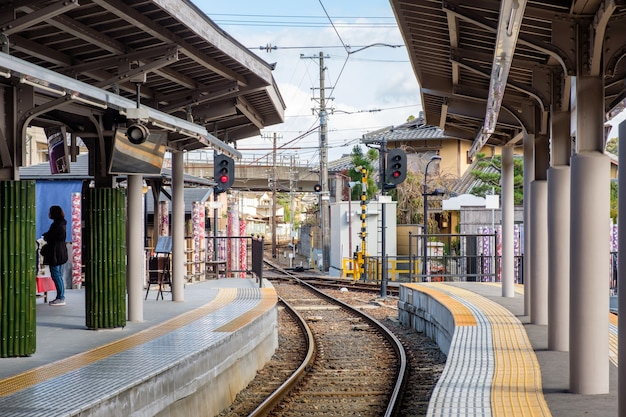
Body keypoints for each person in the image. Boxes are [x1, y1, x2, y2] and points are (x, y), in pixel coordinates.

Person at [42, 205, 69, 306]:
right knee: (58, 275)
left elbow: (51, 236)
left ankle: (61, 297)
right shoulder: (62, 224)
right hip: (61, 252)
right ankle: (60, 296)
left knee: (56, 275)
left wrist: (46, 236)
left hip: (55, 253)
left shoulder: (56, 225)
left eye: (50, 212)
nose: (48, 214)